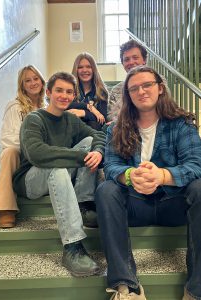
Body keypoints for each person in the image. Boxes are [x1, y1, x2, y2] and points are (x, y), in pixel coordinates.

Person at [95, 65, 201, 300]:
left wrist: (162, 175)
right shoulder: (116, 129)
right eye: (134, 88)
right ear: (128, 95)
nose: (141, 91)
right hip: (136, 207)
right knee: (106, 189)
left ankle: (196, 290)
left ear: (160, 88)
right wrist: (131, 176)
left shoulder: (182, 124)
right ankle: (127, 287)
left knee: (200, 187)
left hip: (174, 205)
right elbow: (110, 166)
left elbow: (195, 165)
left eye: (147, 85)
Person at [12, 72, 106, 276]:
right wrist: (80, 157)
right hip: (31, 180)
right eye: (59, 90)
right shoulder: (34, 119)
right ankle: (72, 247)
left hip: (59, 175)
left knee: (90, 145)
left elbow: (97, 135)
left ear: (74, 96)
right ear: (48, 92)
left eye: (69, 92)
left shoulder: (70, 120)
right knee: (58, 168)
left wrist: (97, 152)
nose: (64, 95)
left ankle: (83, 205)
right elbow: (38, 153)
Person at [0, 65, 45, 228]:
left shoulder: (47, 107)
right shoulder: (15, 107)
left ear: (42, 82)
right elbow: (7, 139)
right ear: (22, 85)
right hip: (23, 155)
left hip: (42, 156)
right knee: (8, 152)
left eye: (35, 79)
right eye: (27, 81)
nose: (32, 83)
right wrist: (32, 145)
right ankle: (6, 209)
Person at [67, 52, 109, 131]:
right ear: (76, 70)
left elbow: (102, 119)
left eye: (89, 67)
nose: (84, 70)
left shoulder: (101, 92)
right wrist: (90, 108)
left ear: (94, 69)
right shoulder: (69, 88)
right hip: (71, 130)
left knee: (93, 124)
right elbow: (67, 106)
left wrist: (84, 113)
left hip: (93, 132)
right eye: (80, 67)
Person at [107, 40, 147, 122]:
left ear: (144, 60)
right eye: (127, 59)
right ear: (122, 63)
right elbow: (112, 117)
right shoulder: (116, 90)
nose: (131, 62)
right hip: (124, 130)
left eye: (135, 58)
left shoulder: (156, 83)